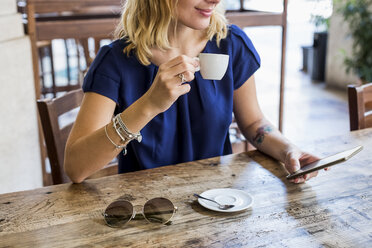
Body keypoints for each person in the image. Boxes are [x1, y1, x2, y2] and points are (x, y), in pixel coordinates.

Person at [64, 0, 325, 184]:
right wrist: (149, 105)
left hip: (216, 202)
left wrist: (288, 149)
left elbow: (254, 123)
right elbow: (76, 168)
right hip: (146, 211)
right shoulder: (116, 60)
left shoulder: (229, 44)